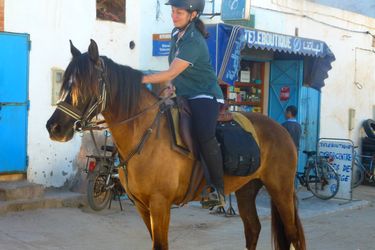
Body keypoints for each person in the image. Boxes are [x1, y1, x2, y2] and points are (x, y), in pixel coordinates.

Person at [142, 0, 225, 208]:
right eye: (172, 11)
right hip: (184, 94)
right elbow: (174, 72)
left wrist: (139, 79)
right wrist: (171, 87)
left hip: (205, 95)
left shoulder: (194, 41)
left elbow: (171, 71)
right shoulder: (175, 35)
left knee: (205, 134)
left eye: (179, 12)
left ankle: (218, 189)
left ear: (193, 15)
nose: (174, 15)